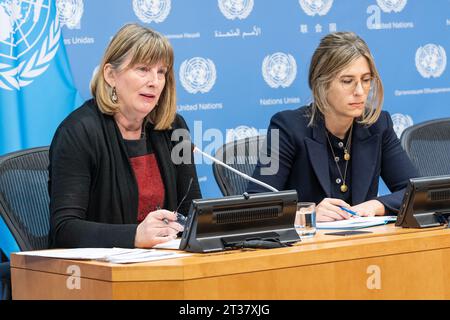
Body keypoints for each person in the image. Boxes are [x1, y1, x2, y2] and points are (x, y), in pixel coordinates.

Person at [48, 23, 201, 248]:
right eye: (143, 69)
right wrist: (135, 236)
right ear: (111, 75)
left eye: (161, 72)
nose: (154, 81)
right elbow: (65, 229)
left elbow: (192, 213)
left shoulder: (173, 128)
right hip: (98, 273)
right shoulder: (78, 132)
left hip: (165, 264)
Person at [247, 31, 418, 222]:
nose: (360, 91)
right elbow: (256, 206)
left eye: (366, 80)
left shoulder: (378, 124)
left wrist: (376, 205)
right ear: (321, 83)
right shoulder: (285, 127)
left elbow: (415, 192)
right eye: (347, 81)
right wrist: (306, 215)